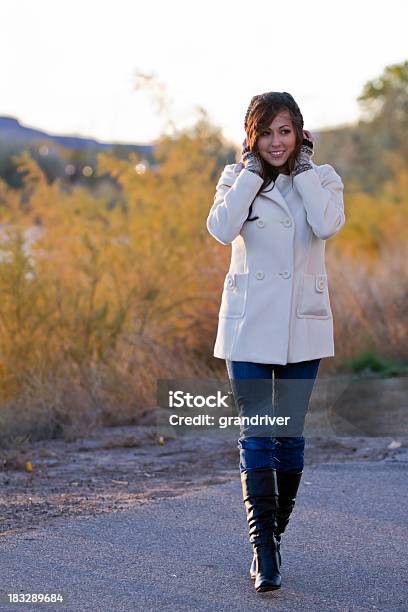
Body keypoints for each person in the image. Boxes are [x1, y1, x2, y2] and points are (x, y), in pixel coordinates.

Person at [206, 92, 346, 593]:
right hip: (246, 327)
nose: (276, 142)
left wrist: (305, 169)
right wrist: (249, 173)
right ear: (251, 137)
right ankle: (262, 549)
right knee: (258, 432)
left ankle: (275, 536)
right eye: (265, 132)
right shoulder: (234, 178)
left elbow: (327, 224)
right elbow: (222, 229)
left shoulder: (323, 179)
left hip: (300, 327)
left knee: (288, 436)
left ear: (300, 134)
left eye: (284, 131)